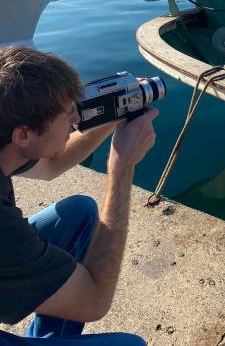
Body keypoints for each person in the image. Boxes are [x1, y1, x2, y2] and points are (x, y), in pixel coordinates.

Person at [0, 45, 159, 345]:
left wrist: (114, 113)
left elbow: (50, 164)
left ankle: (50, 338)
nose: (76, 119)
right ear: (23, 135)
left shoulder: (8, 140)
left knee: (79, 213)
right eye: (66, 115)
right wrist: (122, 167)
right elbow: (94, 301)